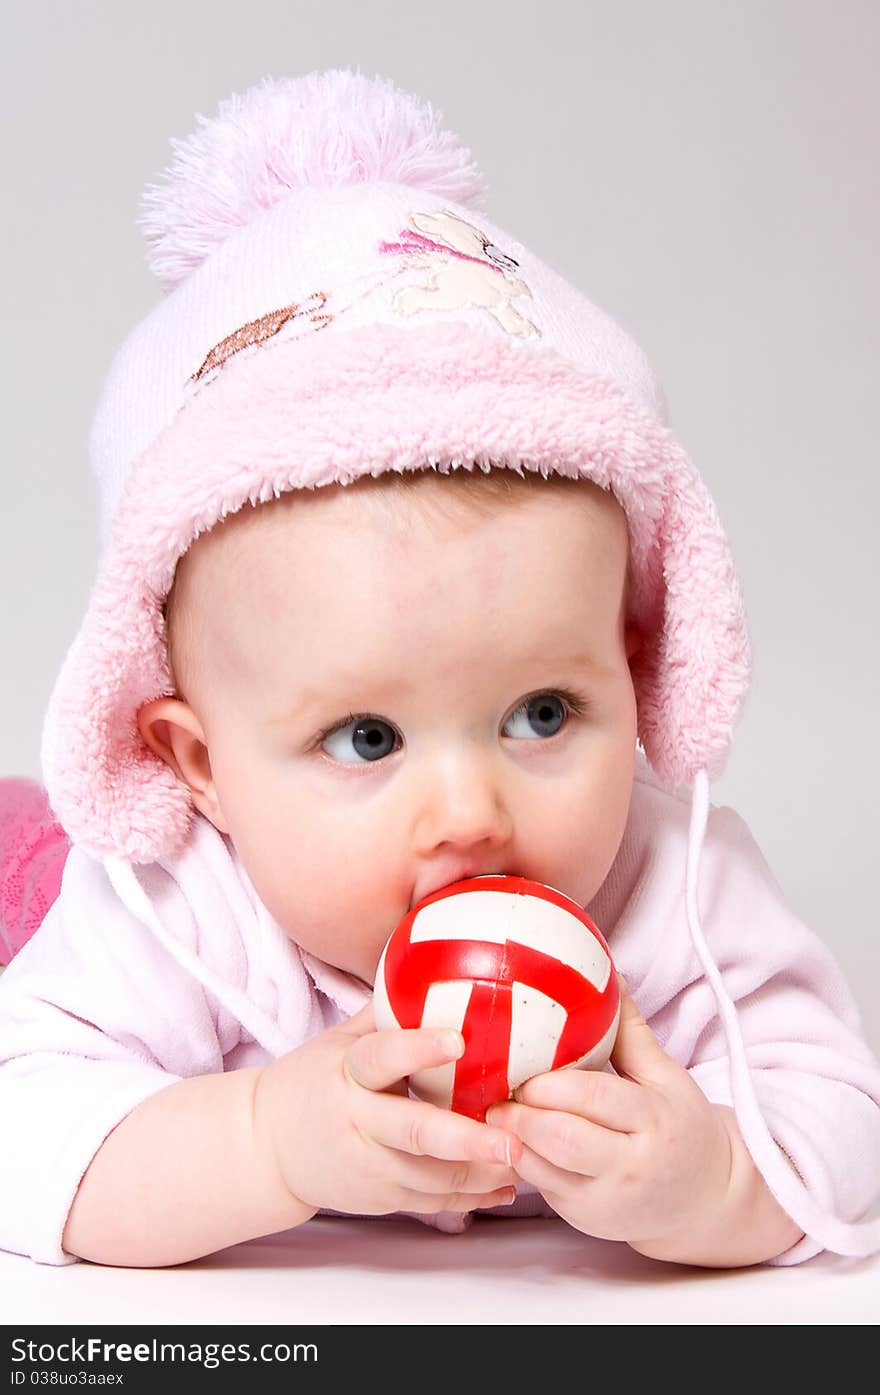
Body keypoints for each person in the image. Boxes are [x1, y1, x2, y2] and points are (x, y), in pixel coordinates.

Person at [1, 67, 878, 1272]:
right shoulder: (177, 907)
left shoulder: (673, 884)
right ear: (199, 764)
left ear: (635, 671)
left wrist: (720, 1175)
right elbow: (24, 1134)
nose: (470, 814)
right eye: (367, 738)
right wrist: (264, 1140)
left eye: (540, 712)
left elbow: (834, 1102)